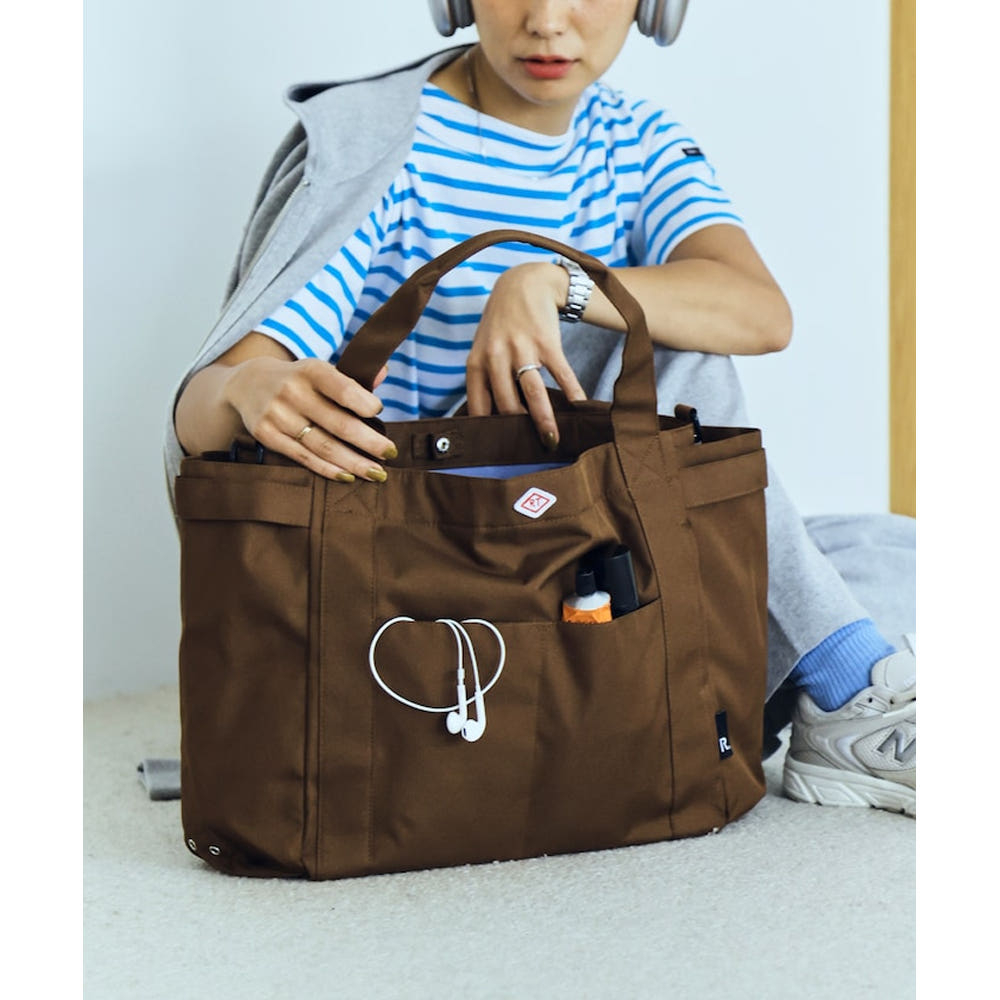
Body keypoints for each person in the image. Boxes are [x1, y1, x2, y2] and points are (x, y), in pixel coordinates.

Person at [166, 0, 915, 816]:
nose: (550, 20)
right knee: (677, 351)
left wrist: (552, 280)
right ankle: (847, 690)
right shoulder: (389, 146)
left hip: (576, 541)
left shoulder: (635, 141)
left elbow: (761, 313)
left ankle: (837, 675)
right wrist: (242, 388)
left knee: (892, 550)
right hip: (420, 551)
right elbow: (207, 412)